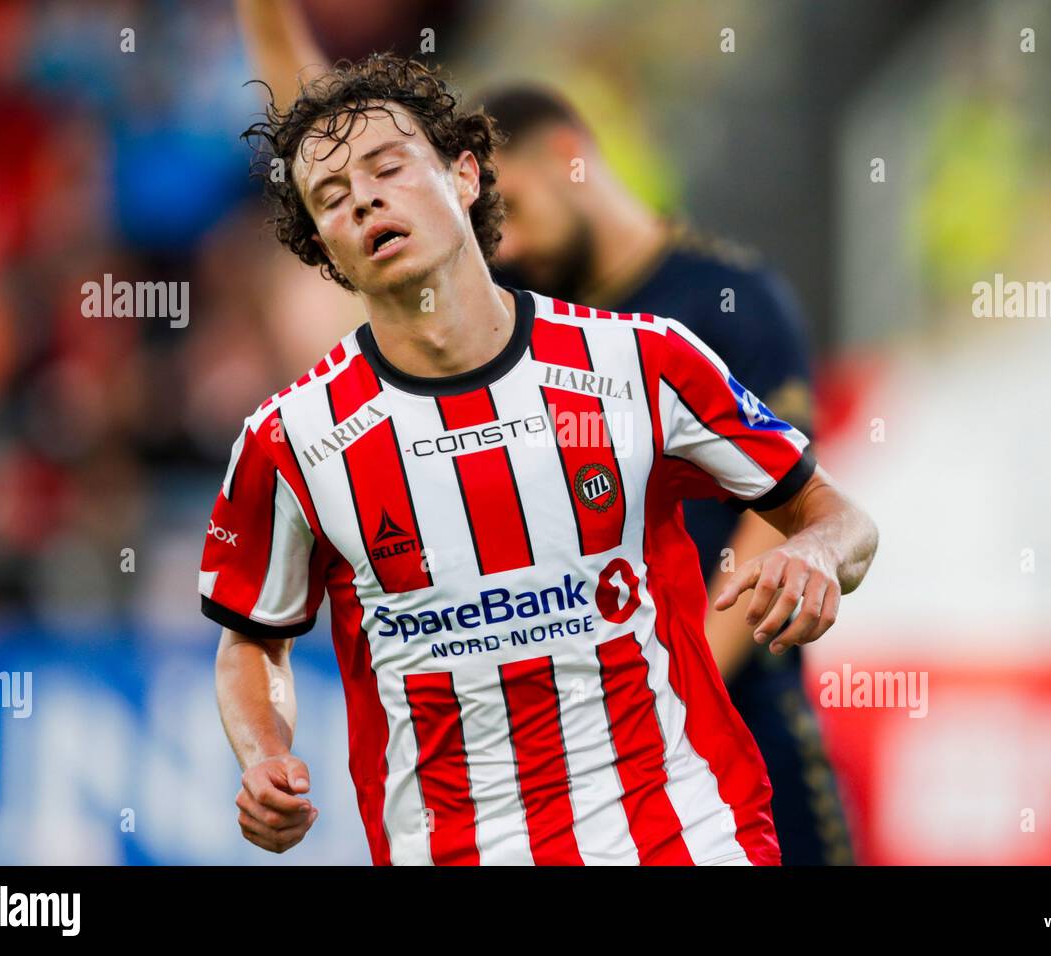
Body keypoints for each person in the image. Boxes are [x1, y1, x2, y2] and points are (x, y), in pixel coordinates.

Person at [203, 52, 877, 864]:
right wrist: (264, 750)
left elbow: (836, 515)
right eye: (333, 198)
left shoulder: (641, 362)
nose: (366, 198)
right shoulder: (293, 442)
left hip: (679, 836)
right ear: (324, 250)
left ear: (464, 177)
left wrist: (813, 550)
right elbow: (251, 640)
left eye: (388, 168)